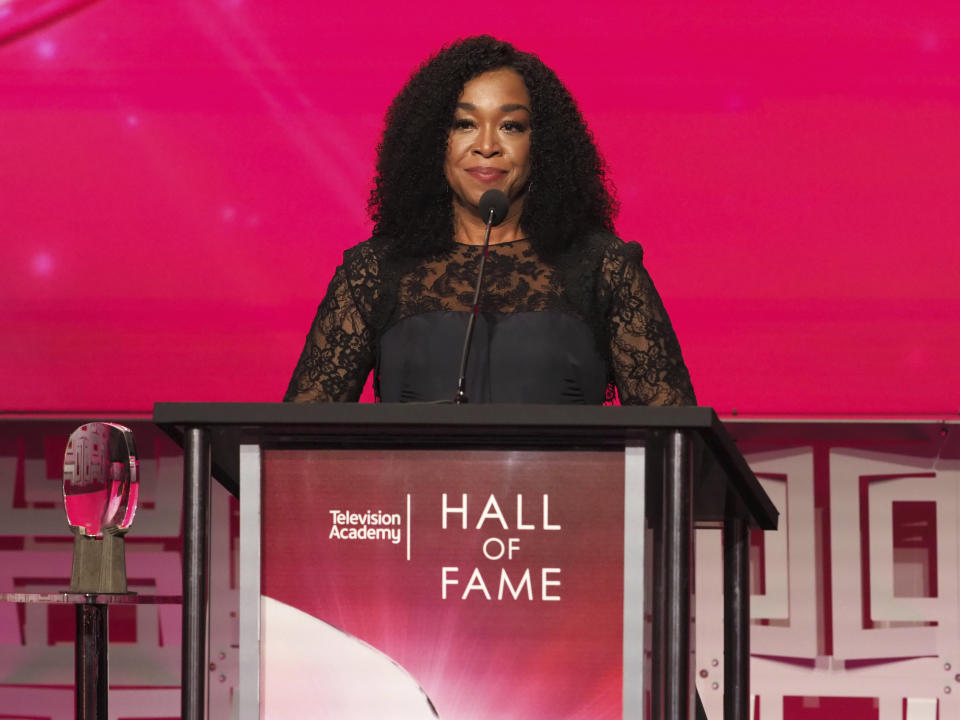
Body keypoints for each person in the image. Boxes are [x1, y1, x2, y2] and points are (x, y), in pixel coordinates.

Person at [284, 35, 695, 408]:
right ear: (432, 141)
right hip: (415, 493)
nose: (486, 146)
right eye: (464, 124)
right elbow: (297, 443)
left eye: (510, 126)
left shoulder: (604, 267)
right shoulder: (374, 271)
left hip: (564, 491)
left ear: (542, 144)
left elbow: (674, 440)